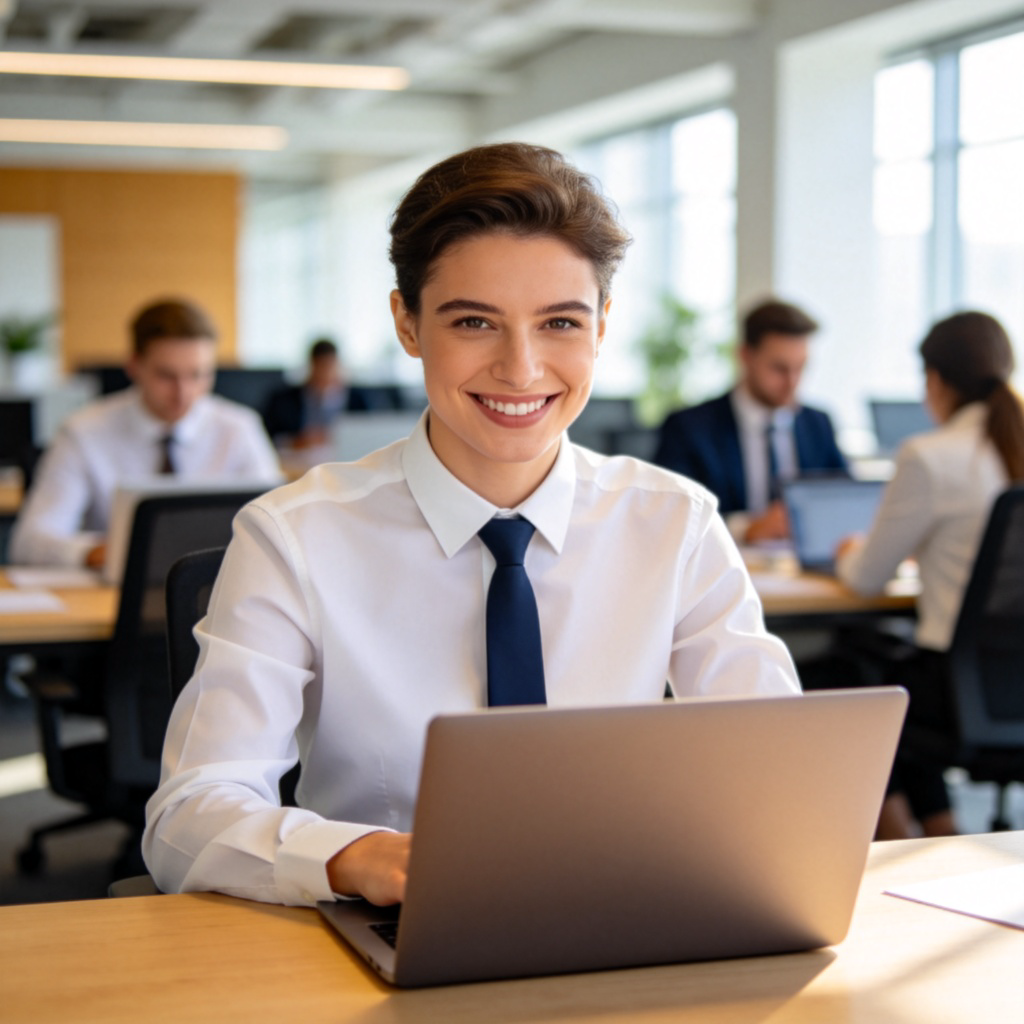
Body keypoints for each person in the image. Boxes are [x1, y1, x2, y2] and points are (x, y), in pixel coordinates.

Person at [143, 142, 800, 908]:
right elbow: (188, 815)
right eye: (475, 322)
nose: (521, 370)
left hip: (618, 916)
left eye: (559, 322)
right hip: (388, 927)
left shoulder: (674, 523)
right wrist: (358, 856)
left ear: (602, 326)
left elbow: (778, 771)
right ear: (409, 324)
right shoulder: (294, 535)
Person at [836, 311, 1024, 839]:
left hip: (964, 689)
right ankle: (944, 835)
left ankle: (895, 854)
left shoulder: (929, 455)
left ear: (936, 380)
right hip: (1007, 685)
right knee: (894, 683)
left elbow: (868, 579)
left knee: (848, 684)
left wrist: (851, 550)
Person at [10, 298, 281, 569]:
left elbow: (277, 530)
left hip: (215, 593)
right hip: (113, 598)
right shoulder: (83, 432)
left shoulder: (240, 428)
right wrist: (108, 552)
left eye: (197, 375)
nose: (183, 393)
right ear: (134, 365)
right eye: (166, 375)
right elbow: (29, 542)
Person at [653, 299, 847, 544]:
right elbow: (670, 514)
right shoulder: (690, 428)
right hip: (722, 568)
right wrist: (747, 528)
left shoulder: (818, 425)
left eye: (801, 368)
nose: (793, 382)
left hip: (805, 574)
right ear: (745, 356)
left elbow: (844, 502)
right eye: (779, 368)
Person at [262, 337, 348, 449]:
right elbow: (265, 437)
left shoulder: (357, 399)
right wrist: (295, 441)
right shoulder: (283, 400)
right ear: (311, 365)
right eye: (321, 365)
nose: (325, 373)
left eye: (329, 366)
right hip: (296, 462)